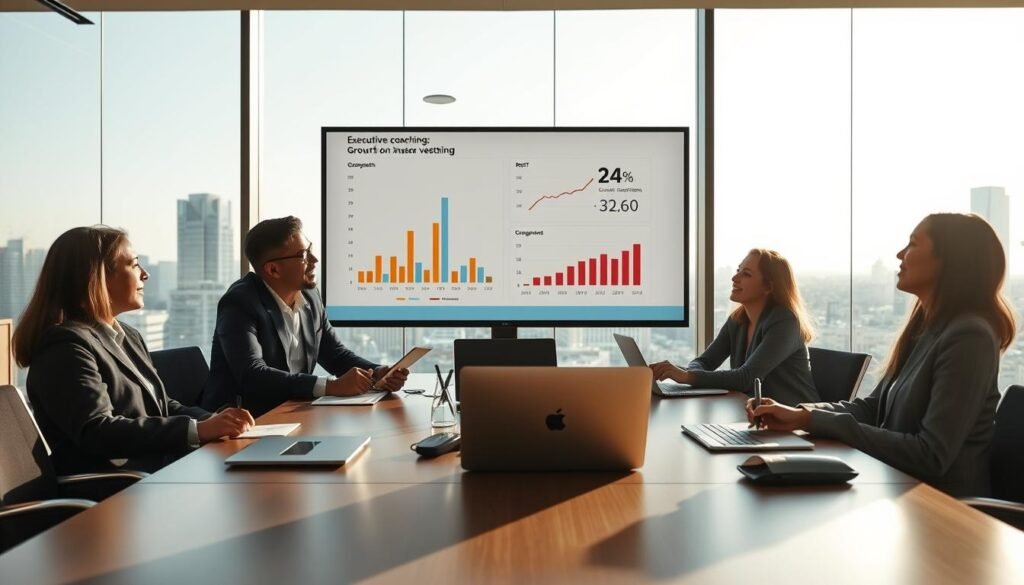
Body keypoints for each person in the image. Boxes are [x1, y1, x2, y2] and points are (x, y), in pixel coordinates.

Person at [748, 213, 1017, 497]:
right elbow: (873, 408)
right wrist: (801, 414)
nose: (900, 254)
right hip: (900, 488)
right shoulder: (925, 327)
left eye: (912, 244)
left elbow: (930, 455)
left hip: (945, 511)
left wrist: (812, 422)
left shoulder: (969, 337)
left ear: (950, 259)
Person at [12, 226, 253, 475]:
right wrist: (198, 430)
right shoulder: (65, 346)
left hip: (158, 473)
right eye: (134, 264)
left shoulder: (127, 335)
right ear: (95, 277)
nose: (145, 274)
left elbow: (161, 405)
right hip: (114, 490)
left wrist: (214, 421)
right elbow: (98, 431)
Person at [203, 216, 408, 417]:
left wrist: (377, 373)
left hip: (294, 413)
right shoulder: (239, 302)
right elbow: (252, 375)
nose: (314, 260)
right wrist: (330, 386)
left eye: (310, 250)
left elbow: (334, 354)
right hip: (243, 422)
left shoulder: (310, 295)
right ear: (273, 269)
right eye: (303, 255)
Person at [651, 248, 819, 406]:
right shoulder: (738, 319)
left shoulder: (785, 322)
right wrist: (688, 374)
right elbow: (704, 361)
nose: (735, 278)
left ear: (768, 287)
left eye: (746, 274)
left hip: (796, 425)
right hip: (754, 416)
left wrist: (688, 376)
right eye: (738, 270)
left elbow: (747, 378)